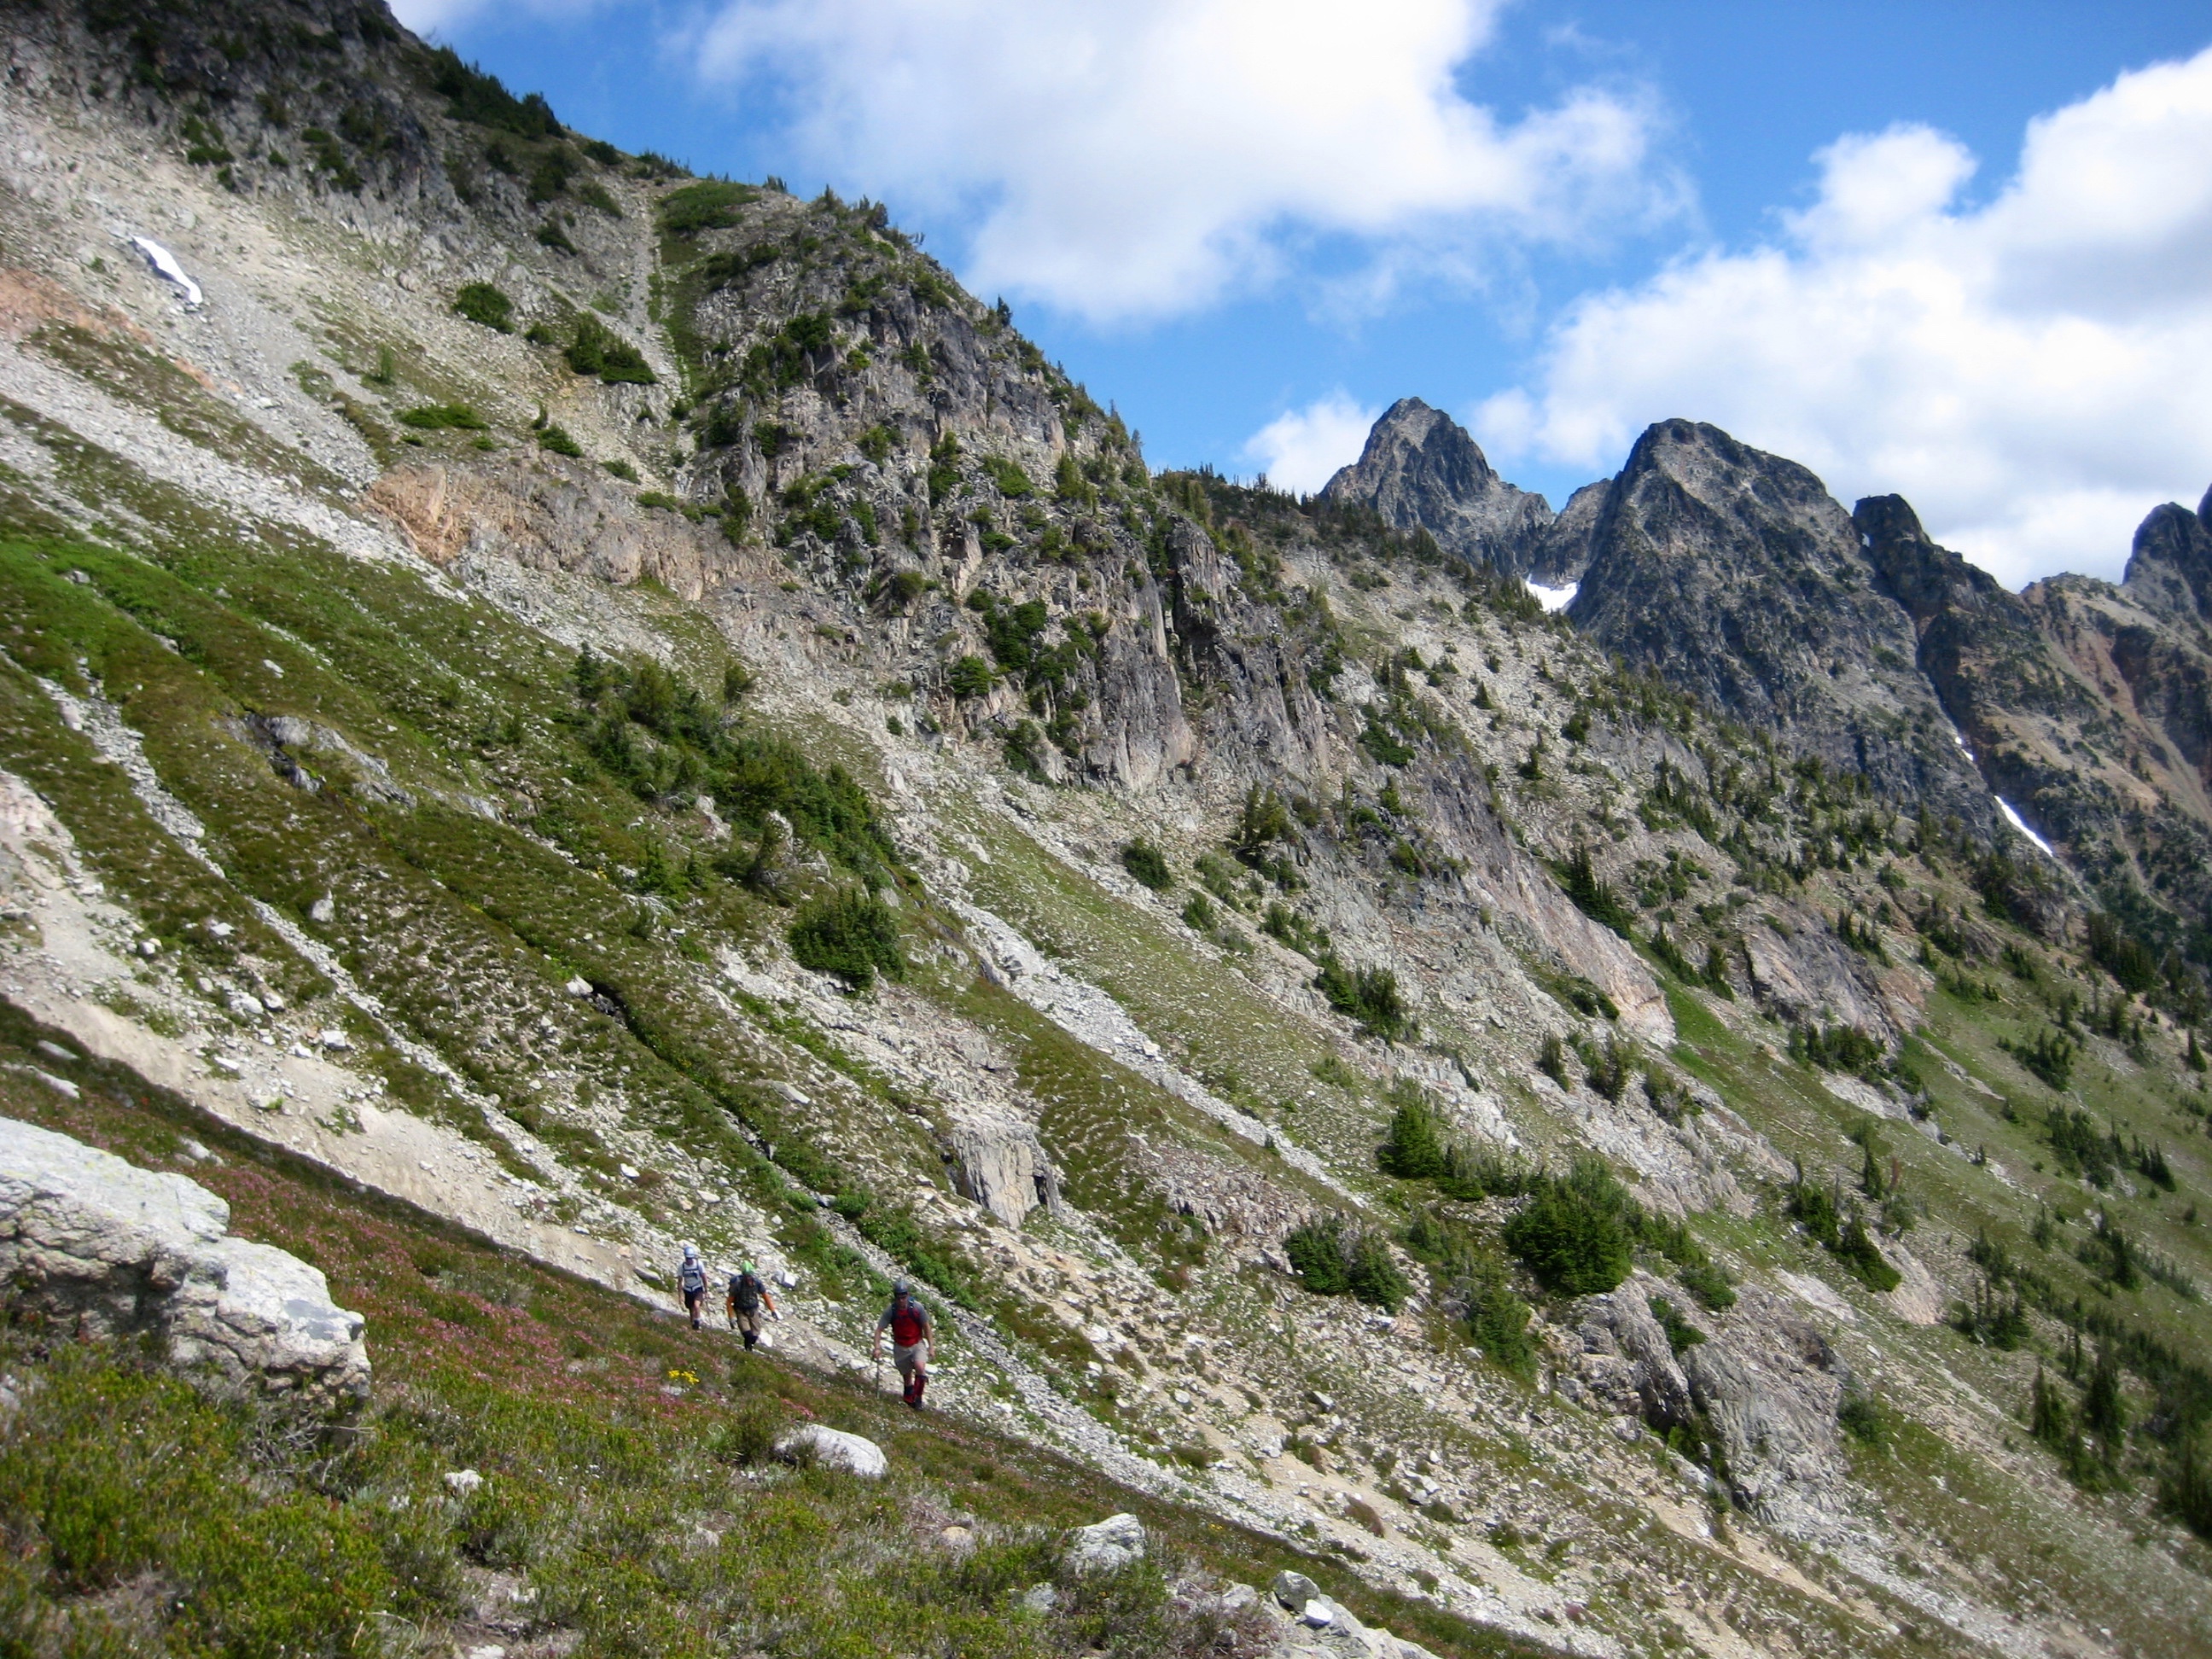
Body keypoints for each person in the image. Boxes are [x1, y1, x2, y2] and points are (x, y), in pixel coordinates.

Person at [871, 1278, 934, 1408]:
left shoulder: (917, 1308)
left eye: (903, 1297)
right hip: (900, 1346)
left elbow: (926, 1327)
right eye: (898, 1297)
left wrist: (931, 1347)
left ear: (908, 1295)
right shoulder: (891, 1311)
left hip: (917, 1344)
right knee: (907, 1377)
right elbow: (879, 1330)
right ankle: (908, 1397)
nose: (901, 1300)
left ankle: (918, 1398)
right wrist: (877, 1347)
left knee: (920, 1367)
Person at [726, 1261, 777, 1349]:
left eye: (750, 1276)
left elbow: (765, 1296)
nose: (749, 1278)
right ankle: (748, 1351)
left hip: (753, 1310)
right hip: (741, 1311)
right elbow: (729, 1302)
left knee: (755, 1335)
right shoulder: (737, 1285)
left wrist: (772, 1310)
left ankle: (749, 1349)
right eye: (747, 1276)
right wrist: (731, 1317)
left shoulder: (757, 1283)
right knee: (747, 1333)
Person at [677, 1243, 708, 1330]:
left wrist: (706, 1290)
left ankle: (697, 1323)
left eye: (691, 1258)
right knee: (691, 1308)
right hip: (687, 1289)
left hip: (698, 1288)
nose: (689, 1260)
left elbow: (704, 1277)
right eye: (687, 1258)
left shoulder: (699, 1264)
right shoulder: (682, 1267)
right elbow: (680, 1281)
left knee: (696, 1305)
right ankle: (693, 1326)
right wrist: (680, 1296)